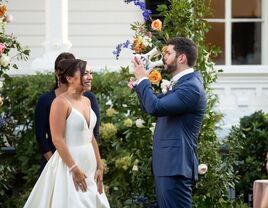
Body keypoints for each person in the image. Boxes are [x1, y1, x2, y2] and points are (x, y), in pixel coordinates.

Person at [128, 37, 207, 208]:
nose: (164, 57)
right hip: (170, 166)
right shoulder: (183, 84)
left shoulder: (190, 87)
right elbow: (154, 106)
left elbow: (155, 107)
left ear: (181, 58)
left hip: (175, 166)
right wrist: (139, 88)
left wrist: (143, 80)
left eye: (168, 53)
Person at [24, 59, 110, 208]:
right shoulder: (60, 102)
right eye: (85, 73)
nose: (90, 77)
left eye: (91, 73)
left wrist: (99, 166)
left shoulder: (87, 101)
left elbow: (90, 136)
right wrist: (74, 168)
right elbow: (57, 139)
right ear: (69, 78)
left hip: (89, 165)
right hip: (68, 166)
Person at [35, 52, 100, 173]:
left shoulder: (88, 99)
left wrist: (98, 165)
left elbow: (92, 134)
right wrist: (54, 165)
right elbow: (43, 137)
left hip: (86, 161)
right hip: (59, 161)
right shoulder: (52, 101)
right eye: (62, 69)